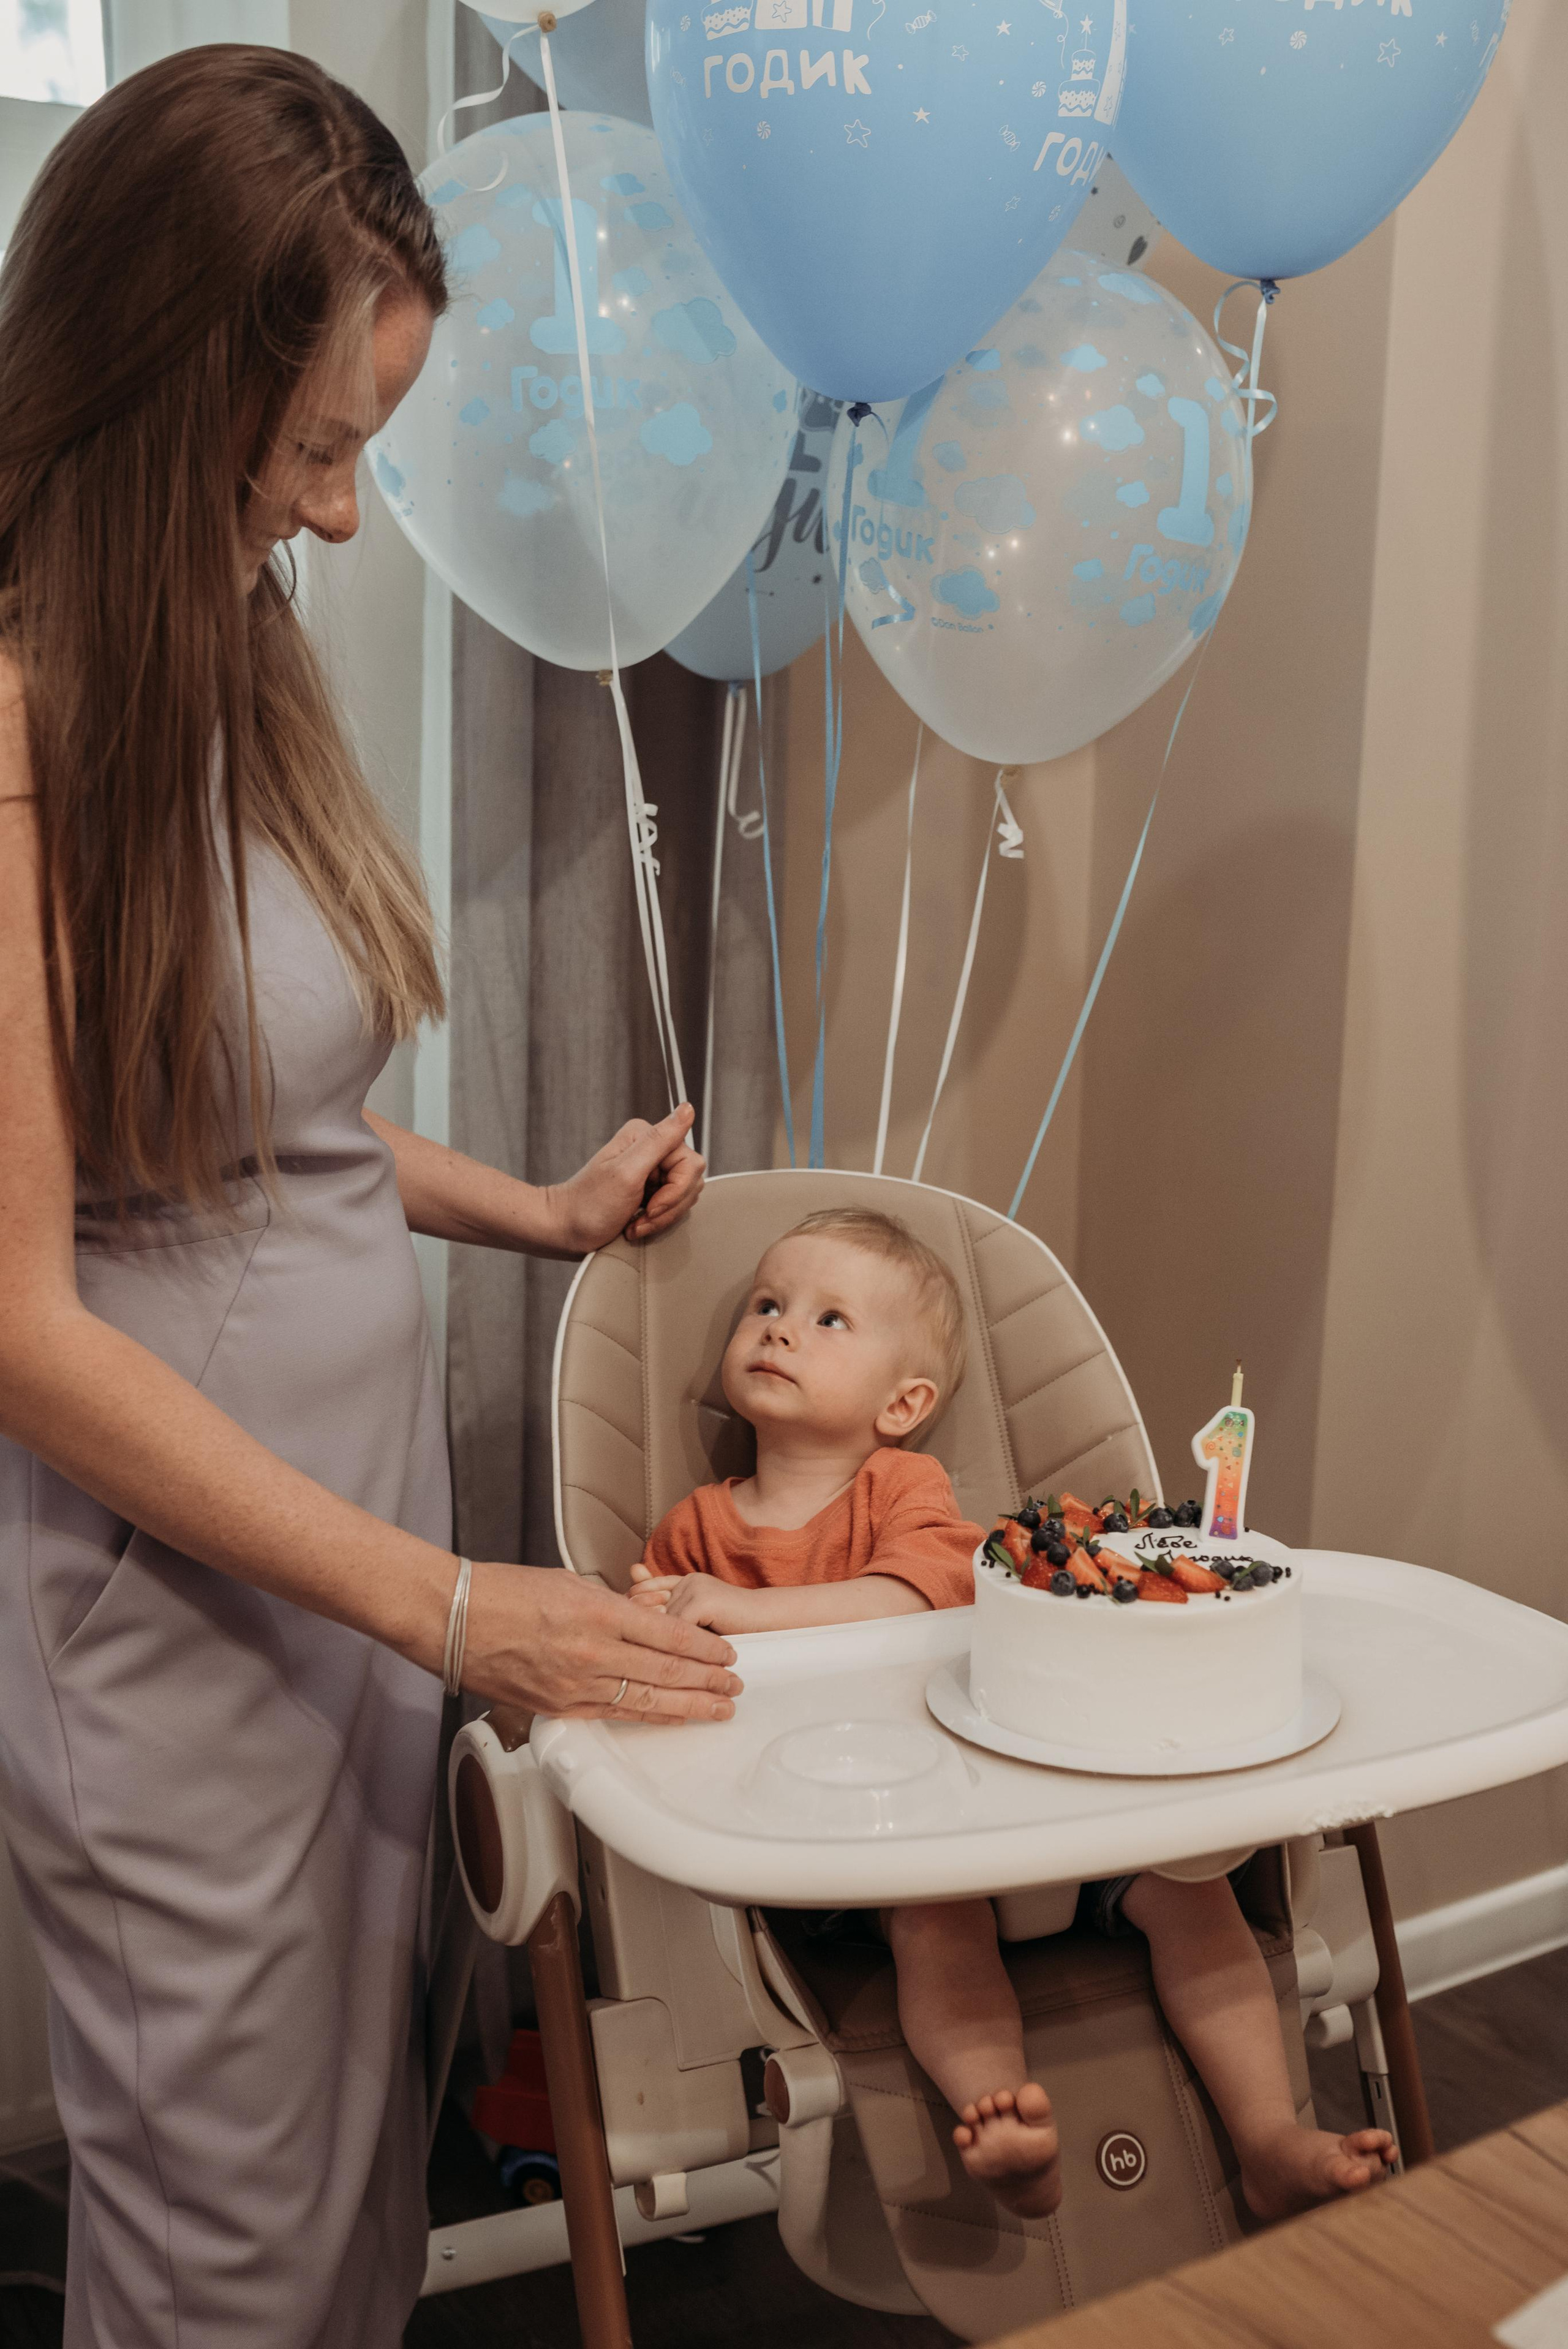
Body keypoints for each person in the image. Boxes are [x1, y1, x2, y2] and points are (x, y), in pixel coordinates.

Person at [0, 46, 742, 2349]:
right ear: (156, 388)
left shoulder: (224, 636)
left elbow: (256, 1121)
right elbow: (22, 1325)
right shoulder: (14, 729)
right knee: (223, 2256)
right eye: (316, 449)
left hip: (352, 1559)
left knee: (355, 2217)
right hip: (182, 1608)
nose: (339, 518)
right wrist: (456, 1610)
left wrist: (540, 1210)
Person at [632, 1207, 1396, 2222]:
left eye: (828, 1319)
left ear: (905, 1402)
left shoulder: (901, 1487)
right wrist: (654, 1613)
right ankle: (1000, 2123)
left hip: (1023, 1808)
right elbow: (654, 1655)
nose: (778, 1327)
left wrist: (745, 1613)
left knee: (1191, 1891)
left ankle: (1270, 2138)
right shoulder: (694, 1528)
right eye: (767, 1304)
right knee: (938, 1929)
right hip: (872, 1838)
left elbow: (922, 1595)